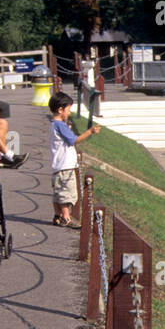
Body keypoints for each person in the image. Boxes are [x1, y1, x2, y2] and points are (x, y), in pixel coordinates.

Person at [48, 91, 100, 227]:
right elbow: (74, 140)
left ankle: (57, 215)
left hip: (57, 165)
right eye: (68, 110)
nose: (69, 113)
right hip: (65, 166)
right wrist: (90, 131)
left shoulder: (54, 124)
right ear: (60, 110)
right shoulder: (60, 125)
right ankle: (66, 217)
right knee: (67, 193)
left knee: (58, 192)